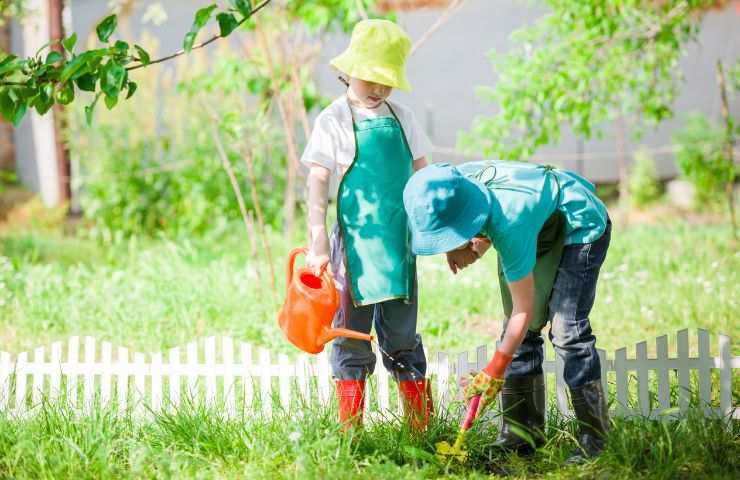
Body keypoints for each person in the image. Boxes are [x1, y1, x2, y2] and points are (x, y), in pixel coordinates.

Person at [403, 161, 612, 463]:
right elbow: (484, 209)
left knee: (568, 331)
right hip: (536, 224)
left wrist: (494, 370)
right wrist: (462, 244)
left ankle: (595, 439)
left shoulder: (511, 222)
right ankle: (521, 435)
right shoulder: (452, 183)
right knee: (517, 335)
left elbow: (523, 310)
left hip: (579, 224)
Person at [301, 19, 433, 430]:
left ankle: (420, 429)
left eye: (386, 82)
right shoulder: (334, 120)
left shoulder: (404, 117)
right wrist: (318, 240)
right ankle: (350, 432)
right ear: (350, 70)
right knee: (350, 334)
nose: (377, 90)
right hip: (352, 249)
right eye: (369, 80)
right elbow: (318, 180)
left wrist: (436, 228)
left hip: (399, 245)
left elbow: (423, 173)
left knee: (402, 338)